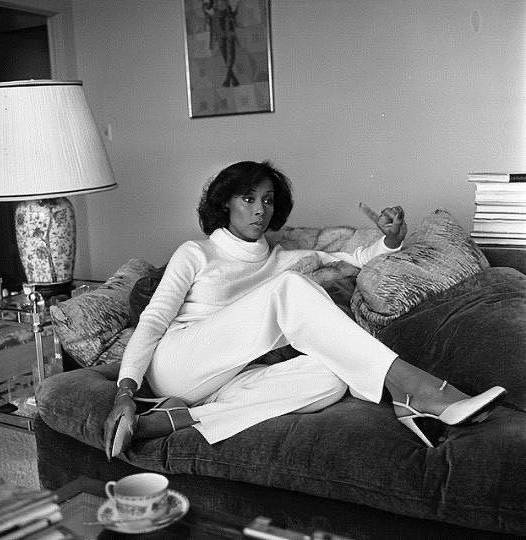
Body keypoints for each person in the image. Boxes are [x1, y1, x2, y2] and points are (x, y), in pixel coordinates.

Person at [104, 160, 505, 459]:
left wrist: (391, 240)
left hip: (226, 382)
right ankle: (414, 388)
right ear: (225, 203)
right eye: (248, 198)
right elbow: (154, 319)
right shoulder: (196, 252)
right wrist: (125, 390)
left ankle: (178, 420)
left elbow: (357, 258)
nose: (260, 209)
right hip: (177, 364)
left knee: (332, 377)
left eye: (267, 200)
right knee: (292, 286)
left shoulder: (280, 260)